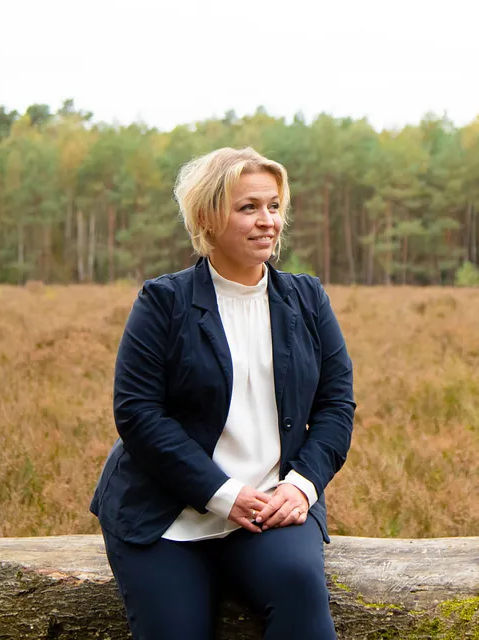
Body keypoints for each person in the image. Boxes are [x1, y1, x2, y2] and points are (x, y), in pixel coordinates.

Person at [90, 147, 355, 640]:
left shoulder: (308, 298)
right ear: (207, 218)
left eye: (273, 206)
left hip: (272, 506)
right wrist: (222, 493)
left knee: (301, 597)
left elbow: (336, 406)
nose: (267, 221)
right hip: (165, 514)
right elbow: (138, 413)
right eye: (248, 207)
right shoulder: (163, 301)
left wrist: (301, 486)